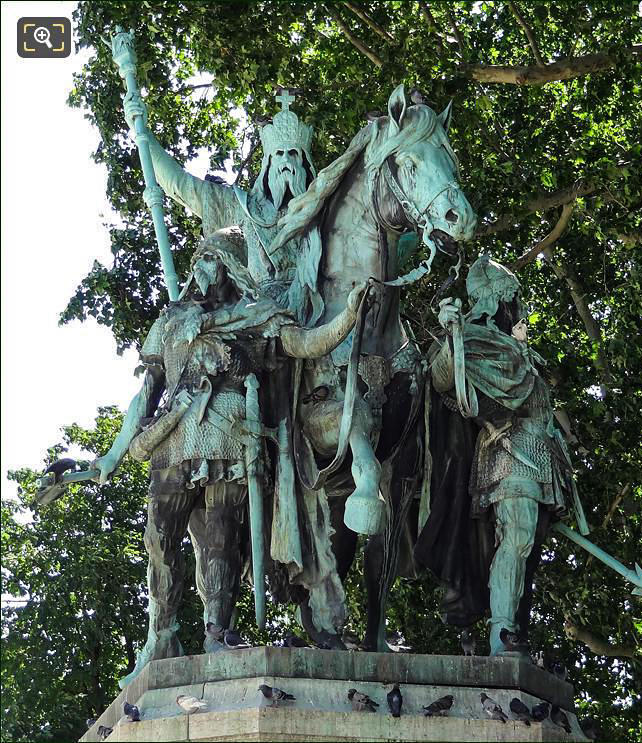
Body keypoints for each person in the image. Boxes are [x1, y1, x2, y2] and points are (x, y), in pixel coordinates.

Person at [94, 228, 367, 686]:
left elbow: (305, 344)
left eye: (211, 261)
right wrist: (113, 454)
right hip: (174, 439)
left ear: (231, 266)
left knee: (221, 542)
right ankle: (161, 635)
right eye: (197, 262)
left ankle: (217, 631)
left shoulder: (255, 315)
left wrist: (350, 317)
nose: (202, 271)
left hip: (232, 438)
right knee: (160, 543)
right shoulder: (174, 318)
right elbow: (147, 393)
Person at [417, 254, 587, 656]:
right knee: (517, 537)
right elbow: (443, 377)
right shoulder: (480, 340)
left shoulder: (521, 350)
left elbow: (544, 405)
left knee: (525, 547)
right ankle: (502, 632)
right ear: (498, 301)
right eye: (514, 298)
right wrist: (454, 335)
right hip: (509, 452)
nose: (520, 307)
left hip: (541, 458)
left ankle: (511, 627)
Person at [124, 88, 319, 317]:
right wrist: (142, 134)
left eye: (293, 153)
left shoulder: (325, 209)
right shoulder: (241, 206)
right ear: (268, 163)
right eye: (279, 154)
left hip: (318, 304)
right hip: (259, 312)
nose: (286, 161)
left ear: (304, 162)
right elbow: (179, 184)